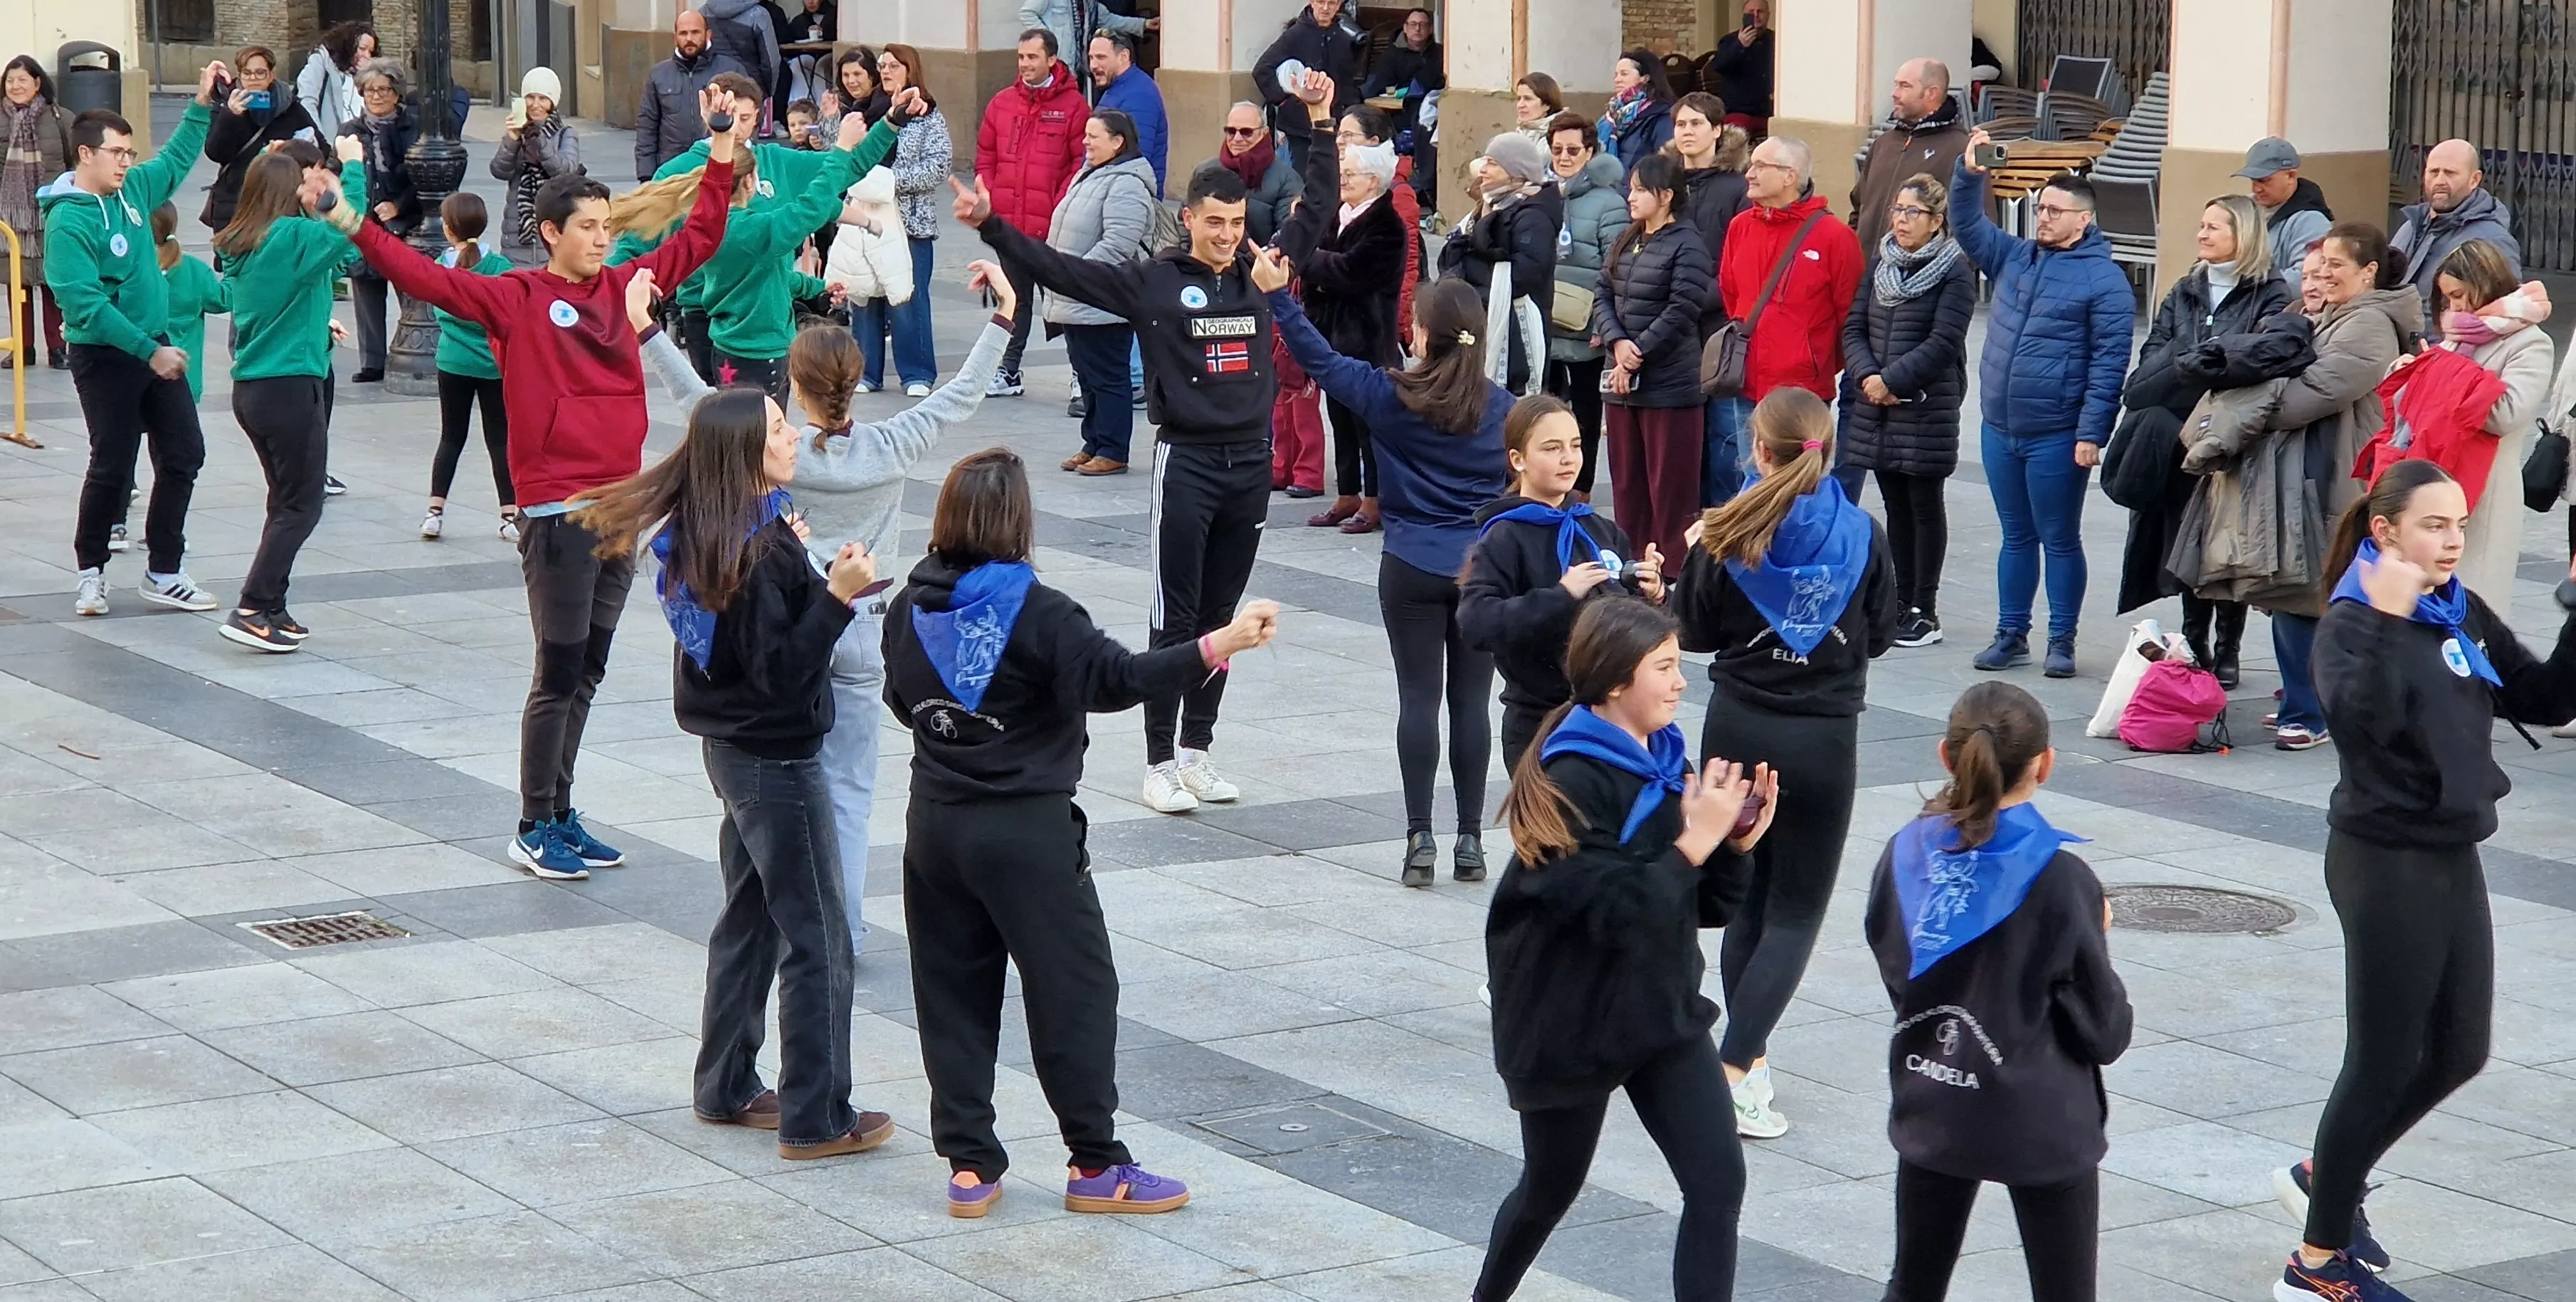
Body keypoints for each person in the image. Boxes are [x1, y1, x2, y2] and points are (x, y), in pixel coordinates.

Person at [353, 83, 757, 880]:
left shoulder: (624, 287)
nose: (603, 240)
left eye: (609, 227)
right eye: (588, 229)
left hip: (619, 508)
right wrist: (350, 220)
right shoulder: (515, 298)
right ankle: (532, 821)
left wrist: (718, 149)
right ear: (550, 234)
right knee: (559, 669)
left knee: (592, 668)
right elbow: (425, 278)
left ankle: (563, 814)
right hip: (556, 511)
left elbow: (701, 234)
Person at [887, 448, 1279, 1217]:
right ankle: (1095, 1161)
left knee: (951, 992)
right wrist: (1218, 643)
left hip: (933, 823)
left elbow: (905, 702)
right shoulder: (1039, 610)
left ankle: (969, 1165)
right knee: (1074, 990)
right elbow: (1116, 680)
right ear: (1016, 522)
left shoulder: (909, 606)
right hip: (1025, 827)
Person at [634, 261, 1018, 958]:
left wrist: (645, 331)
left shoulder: (775, 451)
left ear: (796, 385)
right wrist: (1001, 317)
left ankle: (784, 918)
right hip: (868, 628)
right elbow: (962, 393)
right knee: (847, 789)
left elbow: (696, 400)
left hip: (795, 622)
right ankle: (842, 926)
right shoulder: (893, 442)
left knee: (783, 784)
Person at [2270, 459, 2576, 1302]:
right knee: (2378, 1059)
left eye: (2458, 527)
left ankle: (2324, 1168)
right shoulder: (2350, 619)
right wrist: (2383, 619)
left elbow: (2547, 699)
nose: (2449, 541)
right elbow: (2358, 725)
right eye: (2432, 525)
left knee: (2457, 1049)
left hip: (2448, 849)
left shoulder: (2457, 610)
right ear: (2385, 531)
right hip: (2382, 860)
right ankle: (2315, 1266)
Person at [566, 384, 893, 1159]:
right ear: (745, 452)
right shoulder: (750, 546)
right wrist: (838, 598)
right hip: (774, 757)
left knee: (749, 921)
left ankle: (726, 1083)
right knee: (818, 937)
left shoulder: (720, 531)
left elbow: (749, 652)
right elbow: (778, 672)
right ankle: (816, 1115)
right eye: (779, 429)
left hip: (734, 752)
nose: (793, 437)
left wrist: (812, 572)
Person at [956, 147, 1279, 817]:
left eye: (1236, 223)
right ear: (1188, 219)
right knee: (1177, 616)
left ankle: (1197, 751)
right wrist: (992, 226)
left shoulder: (1257, 278)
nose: (1225, 235)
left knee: (1224, 616)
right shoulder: (1151, 283)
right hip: (1186, 461)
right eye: (1214, 222)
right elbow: (1062, 270)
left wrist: (1320, 123)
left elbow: (1318, 218)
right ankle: (1159, 761)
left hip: (1250, 463)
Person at [1476, 597, 1776, 1302]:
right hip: (1566, 1020)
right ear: (1615, 682)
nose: (1680, 681)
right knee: (1549, 1186)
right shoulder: (1572, 775)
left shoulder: (1666, 760)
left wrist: (1731, 847)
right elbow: (1613, 912)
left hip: (1654, 1008)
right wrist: (1693, 840)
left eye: (1677, 664)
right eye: (1664, 667)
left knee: (1717, 1182)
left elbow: (1701, 906)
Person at [1672, 387, 1896, 1136]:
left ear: (1757, 450)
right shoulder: (1861, 532)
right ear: (1823, 449)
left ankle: (1746, 1063)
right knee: (1795, 911)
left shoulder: (1723, 530)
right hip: (1822, 736)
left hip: (1736, 723)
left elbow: (1693, 629)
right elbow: (1884, 631)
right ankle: (1734, 1068)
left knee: (1743, 896)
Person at [1866, 681, 2131, 1302]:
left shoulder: (1905, 852)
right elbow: (2105, 1030)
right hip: (2041, 1119)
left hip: (1935, 1095)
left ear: (1945, 755)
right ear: (2044, 763)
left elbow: (1893, 962)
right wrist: (2095, 936)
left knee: (1914, 1284)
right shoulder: (2061, 879)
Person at [1261, 251, 1510, 883]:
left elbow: (1318, 359)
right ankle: (1473, 841)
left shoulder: (1388, 393)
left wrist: (1278, 297)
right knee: (1472, 704)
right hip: (1478, 570)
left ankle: (1419, 835)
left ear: (1421, 334)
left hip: (1409, 562)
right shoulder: (1507, 409)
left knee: (1418, 699)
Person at [2187, 224, 2421, 752]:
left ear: (2368, 272)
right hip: (2310, 473)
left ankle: (2311, 711)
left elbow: (2304, 398)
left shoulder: (2369, 327)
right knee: (2297, 593)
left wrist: (2254, 388)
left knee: (2308, 596)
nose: (2323, 276)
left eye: (2336, 265)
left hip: (2338, 477)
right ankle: (2306, 699)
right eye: (2318, 265)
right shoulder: (2326, 317)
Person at [1951, 140, 2136, 678]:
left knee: (2057, 537)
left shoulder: (2105, 283)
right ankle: (2011, 632)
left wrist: (2091, 433)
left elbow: (2108, 367)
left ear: (2084, 220)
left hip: (2056, 432)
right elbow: (1967, 226)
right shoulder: (2017, 256)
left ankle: (2062, 639)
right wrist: (1969, 175)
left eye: (2054, 211)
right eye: (2040, 207)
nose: (2043, 217)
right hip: (2001, 425)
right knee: (2015, 534)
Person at [48, 63, 224, 620]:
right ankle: (91, 572)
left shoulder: (135, 192)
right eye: (117, 153)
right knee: (113, 463)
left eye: (129, 152)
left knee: (184, 453)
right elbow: (86, 307)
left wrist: (200, 105)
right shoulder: (69, 222)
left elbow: (173, 162)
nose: (127, 161)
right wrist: (150, 352)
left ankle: (164, 570)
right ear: (86, 155)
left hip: (155, 344)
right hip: (106, 357)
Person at [2104, 195, 2287, 688]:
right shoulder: (2184, 291)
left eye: (2214, 227)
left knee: (2224, 547)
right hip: (2178, 443)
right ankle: (2195, 638)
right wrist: (2193, 361)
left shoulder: (2269, 294)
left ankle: (2228, 646)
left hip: (2233, 442)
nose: (2202, 234)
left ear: (2243, 236)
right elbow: (2151, 362)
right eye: (2201, 225)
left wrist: (2202, 362)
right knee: (2184, 542)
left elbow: (2259, 362)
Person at [211, 142, 367, 651]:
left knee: (284, 501)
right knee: (302, 504)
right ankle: (253, 605)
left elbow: (287, 297)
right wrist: (354, 170)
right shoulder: (290, 238)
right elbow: (351, 231)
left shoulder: (247, 242)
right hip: (288, 389)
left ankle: (273, 604)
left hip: (255, 388)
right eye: (301, 182)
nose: (309, 188)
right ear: (284, 193)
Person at [1462, 394, 1664, 772]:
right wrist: (1561, 596)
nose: (1569, 458)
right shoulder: (1505, 536)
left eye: (1575, 446)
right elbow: (1476, 621)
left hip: (1611, 719)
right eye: (1552, 449)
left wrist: (1651, 595)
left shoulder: (1601, 530)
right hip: (1541, 722)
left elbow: (1630, 628)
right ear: (1518, 460)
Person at [1839, 172, 1974, 650]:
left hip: (1923, 406)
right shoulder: (1882, 262)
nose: (1900, 219)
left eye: (1912, 212)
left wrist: (1891, 380)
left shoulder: (1955, 270)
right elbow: (1853, 325)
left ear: (1937, 220)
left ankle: (1925, 608)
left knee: (1923, 504)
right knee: (1895, 504)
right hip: (1878, 404)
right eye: (1897, 210)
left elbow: (1944, 342)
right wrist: (1866, 377)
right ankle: (1900, 601)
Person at [1277, 99, 1409, 532]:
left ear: (1374, 179)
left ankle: (1374, 501)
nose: (1343, 181)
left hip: (1369, 340)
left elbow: (1349, 271)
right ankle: (1347, 493)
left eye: (1350, 175)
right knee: (1340, 420)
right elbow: (1328, 266)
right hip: (1332, 337)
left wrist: (1306, 258)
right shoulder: (1338, 215)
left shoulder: (1387, 223)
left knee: (1367, 426)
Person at [696, 109, 885, 398]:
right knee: (765, 436)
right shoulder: (750, 229)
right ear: (750, 182)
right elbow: (812, 207)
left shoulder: (714, 223)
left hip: (730, 348)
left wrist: (817, 287)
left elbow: (773, 277)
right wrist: (842, 148)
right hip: (759, 353)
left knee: (739, 432)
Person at [1714, 136, 1862, 502]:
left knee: (1800, 489)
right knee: (1753, 481)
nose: (1749, 173)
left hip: (1802, 390)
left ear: (1789, 176)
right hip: (1746, 381)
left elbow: (1851, 316)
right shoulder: (1741, 227)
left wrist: (1813, 360)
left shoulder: (1835, 237)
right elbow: (1732, 294)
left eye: (1760, 166)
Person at [1593, 152, 1711, 568]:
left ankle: (1675, 570)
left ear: (1665, 195)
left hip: (1669, 386)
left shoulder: (1688, 243)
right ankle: (1633, 564)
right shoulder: (1628, 236)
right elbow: (1602, 291)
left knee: (1671, 488)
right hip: (1624, 384)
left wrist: (1635, 354)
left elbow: (1683, 309)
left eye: (1641, 189)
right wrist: (1617, 343)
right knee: (1628, 484)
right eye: (1631, 188)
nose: (1632, 196)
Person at [2423, 240, 2555, 601]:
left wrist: (2447, 379)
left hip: (2487, 487)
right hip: (2440, 477)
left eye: (2461, 295)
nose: (2456, 307)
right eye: (2448, 298)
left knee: (2474, 601)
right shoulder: (2458, 334)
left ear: (2486, 282)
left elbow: (2507, 413)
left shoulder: (2530, 343)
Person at [978, 31, 1090, 399]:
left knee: (1066, 303)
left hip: (1055, 228)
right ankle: (1009, 371)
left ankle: (1080, 376)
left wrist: (1061, 205)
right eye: (1021, 57)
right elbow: (986, 157)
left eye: (1032, 57)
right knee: (1015, 299)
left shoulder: (1074, 106)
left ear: (1051, 60)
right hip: (1012, 226)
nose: (1025, 64)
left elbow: (1080, 162)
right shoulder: (1002, 103)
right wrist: (993, 197)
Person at [1045, 108, 1158, 475]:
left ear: (1117, 142)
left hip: (1103, 298)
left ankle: (1113, 448)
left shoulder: (1127, 183)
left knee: (1109, 375)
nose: (1085, 142)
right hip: (1078, 295)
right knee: (1087, 374)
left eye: (1093, 136)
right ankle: (1093, 441)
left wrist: (1076, 277)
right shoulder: (1092, 174)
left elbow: (1118, 244)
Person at [1543, 114, 1630, 505]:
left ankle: (1580, 486)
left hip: (1585, 322)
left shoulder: (1609, 202)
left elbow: (1617, 266)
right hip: (1544, 317)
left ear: (1590, 152)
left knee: (1585, 413)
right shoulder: (1540, 191)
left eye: (1573, 150)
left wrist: (1604, 320)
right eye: (1557, 148)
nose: (1564, 157)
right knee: (1544, 405)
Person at [424, 192, 517, 542]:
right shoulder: (501, 268)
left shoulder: (439, 268)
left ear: (448, 230)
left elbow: (437, 310)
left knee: (451, 437)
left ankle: (434, 512)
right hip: (493, 367)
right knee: (499, 440)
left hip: (452, 363)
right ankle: (509, 515)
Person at [858, 46, 951, 397]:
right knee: (866, 294)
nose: (885, 71)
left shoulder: (927, 115)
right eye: (881, 66)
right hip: (868, 217)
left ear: (910, 70)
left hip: (910, 218)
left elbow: (939, 165)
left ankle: (917, 373)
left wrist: (892, 182)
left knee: (908, 299)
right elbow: (848, 153)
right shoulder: (868, 111)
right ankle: (867, 372)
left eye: (893, 66)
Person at [1437, 133, 1558, 394]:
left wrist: (1470, 287)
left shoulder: (1534, 216)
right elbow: (1449, 257)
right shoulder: (1487, 206)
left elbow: (1523, 276)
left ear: (1515, 171)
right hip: (1482, 319)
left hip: (1517, 332)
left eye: (1492, 163)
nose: (1483, 170)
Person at [2392, 139, 2521, 342]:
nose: (2440, 180)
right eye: (2434, 172)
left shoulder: (2492, 239)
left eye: (2450, 173)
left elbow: (2501, 316)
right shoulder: (2412, 225)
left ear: (2474, 179)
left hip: (2444, 354)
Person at [339, 62, 417, 382]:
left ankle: (412, 351)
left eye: (384, 89)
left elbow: (423, 178)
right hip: (364, 223)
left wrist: (398, 206)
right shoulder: (350, 132)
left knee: (411, 290)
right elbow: (338, 172)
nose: (376, 96)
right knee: (366, 290)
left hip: (403, 224)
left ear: (397, 93)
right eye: (370, 90)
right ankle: (372, 361)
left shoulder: (412, 130)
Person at [1850, 58, 1968, 255]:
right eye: (1896, 85)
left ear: (1932, 93)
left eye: (1905, 86)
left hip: (1922, 280)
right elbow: (1858, 206)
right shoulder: (1884, 143)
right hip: (1867, 277)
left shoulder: (1960, 149)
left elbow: (1973, 227)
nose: (1894, 94)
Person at [198, 46, 320, 233]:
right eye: (247, 73)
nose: (253, 79)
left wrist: (290, 149)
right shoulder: (226, 103)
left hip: (279, 206)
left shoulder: (290, 106)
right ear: (239, 75)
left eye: (260, 73)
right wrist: (231, 116)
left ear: (271, 75)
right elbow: (215, 152)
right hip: (234, 203)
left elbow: (320, 151)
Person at [1, 56, 73, 369]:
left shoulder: (60, 118)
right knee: (16, 282)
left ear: (37, 83)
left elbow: (75, 162)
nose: (16, 87)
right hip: (9, 215)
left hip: (50, 210)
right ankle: (22, 347)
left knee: (53, 281)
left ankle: (58, 347)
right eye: (10, 81)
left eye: (22, 80)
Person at [490, 67, 586, 268]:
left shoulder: (565, 134)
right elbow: (499, 170)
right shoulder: (518, 133)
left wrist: (540, 141)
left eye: (543, 98)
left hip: (553, 225)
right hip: (517, 233)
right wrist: (512, 139)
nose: (535, 105)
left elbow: (566, 171)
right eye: (530, 97)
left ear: (552, 102)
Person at [1252, 0, 1361, 175]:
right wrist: (1284, 100)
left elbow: (1347, 82)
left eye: (1332, 3)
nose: (1326, 8)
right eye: (1321, 2)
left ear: (1339, 4)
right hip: (1300, 127)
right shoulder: (1295, 34)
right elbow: (1262, 70)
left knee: (1330, 177)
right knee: (1303, 179)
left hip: (1333, 123)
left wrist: (1351, 114)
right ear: (1311, 2)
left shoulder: (1342, 38)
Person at [637, 10, 744, 181]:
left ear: (708, 34)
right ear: (675, 37)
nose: (689, 38)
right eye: (683, 33)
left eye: (695, 32)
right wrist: (646, 175)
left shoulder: (731, 70)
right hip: (671, 169)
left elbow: (750, 117)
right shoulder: (658, 75)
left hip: (718, 165)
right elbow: (647, 126)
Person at [2237, 137, 2332, 301]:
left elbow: (2302, 279)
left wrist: (2240, 287)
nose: (2256, 188)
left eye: (2265, 180)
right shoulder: (2244, 209)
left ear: (2291, 176)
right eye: (2253, 180)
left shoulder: (2311, 221)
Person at [151, 202, 225, 406]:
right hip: (183, 377)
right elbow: (223, 299)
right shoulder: (195, 270)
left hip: (142, 373)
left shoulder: (132, 268)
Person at [1018, 0, 1154, 99]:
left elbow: (1112, 21)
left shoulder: (1091, 4)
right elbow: (1027, 13)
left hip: (1079, 69)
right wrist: (1048, 41)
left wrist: (1145, 24)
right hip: (1057, 65)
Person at [1210, 102, 1299, 246]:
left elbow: (1287, 236)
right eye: (1231, 131)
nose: (1237, 138)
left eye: (1246, 132)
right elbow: (1187, 221)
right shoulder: (1206, 171)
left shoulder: (1287, 181)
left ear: (1264, 133)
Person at [1090, 33, 1168, 194]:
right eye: (1091, 58)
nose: (1093, 65)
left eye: (1101, 57)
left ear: (1124, 56)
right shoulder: (1118, 88)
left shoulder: (1139, 95)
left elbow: (1135, 159)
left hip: (1125, 197)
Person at [1361, 7, 1444, 145]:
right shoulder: (1392, 55)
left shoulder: (1441, 54)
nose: (1417, 29)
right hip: (1398, 114)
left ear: (1430, 30)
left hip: (1431, 114)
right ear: (1405, 28)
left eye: (1423, 25)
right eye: (1413, 24)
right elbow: (1377, 84)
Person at [1598, 51, 1675, 177]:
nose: (1617, 80)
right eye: (1616, 75)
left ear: (1645, 78)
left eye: (1624, 74)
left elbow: (1664, 163)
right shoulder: (1612, 115)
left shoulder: (1661, 115)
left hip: (1640, 188)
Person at [1704, 0, 1774, 134]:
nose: (1756, 16)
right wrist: (1740, 45)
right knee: (1735, 136)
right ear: (1744, 16)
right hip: (1738, 110)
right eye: (1751, 13)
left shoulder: (1775, 40)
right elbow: (1719, 66)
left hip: (1768, 110)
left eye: (1760, 12)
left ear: (1768, 16)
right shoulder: (1730, 40)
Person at [295, 23, 367, 142]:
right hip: (327, 141)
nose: (366, 55)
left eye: (371, 51)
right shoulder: (321, 60)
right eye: (363, 49)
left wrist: (368, 75)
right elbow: (307, 101)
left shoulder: (365, 73)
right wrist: (319, 139)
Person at [818, 46, 888, 137]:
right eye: (846, 75)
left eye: (857, 74)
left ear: (872, 75)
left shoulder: (881, 107)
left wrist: (830, 122)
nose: (851, 81)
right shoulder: (840, 103)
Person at [1512, 73, 1566, 149]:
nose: (1520, 105)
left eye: (1528, 99)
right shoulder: (1520, 133)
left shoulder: (1558, 138)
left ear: (1547, 105)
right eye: (1519, 99)